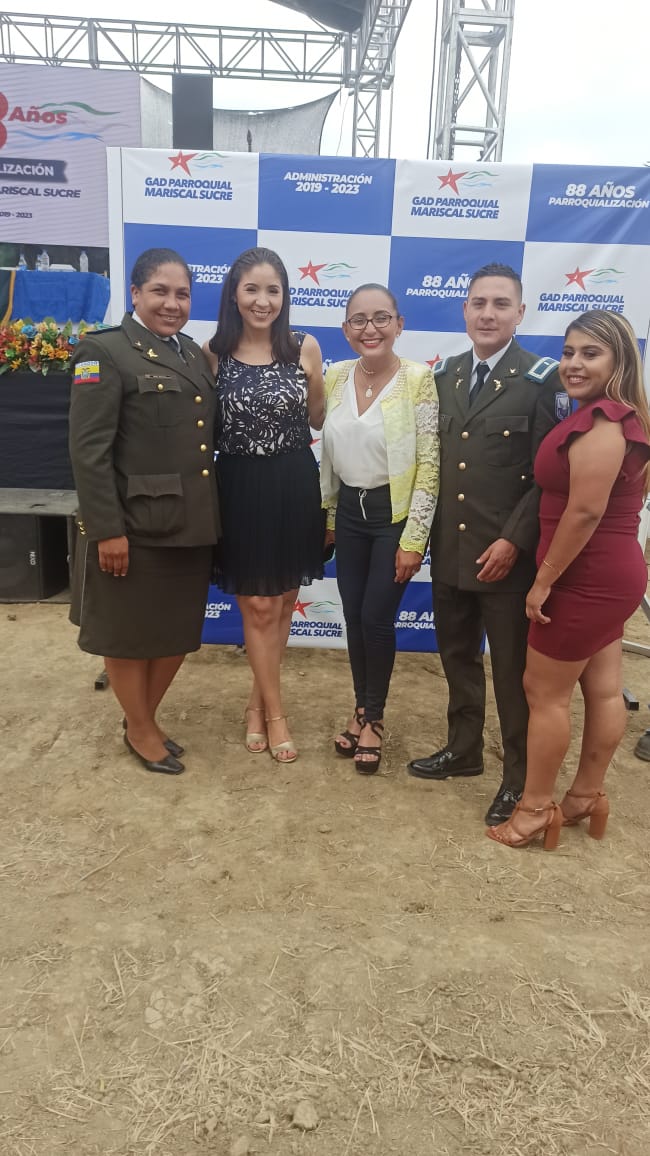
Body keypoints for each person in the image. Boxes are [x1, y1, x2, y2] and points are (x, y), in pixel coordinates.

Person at [407, 263, 565, 825]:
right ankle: (463, 750)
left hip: (506, 559)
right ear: (464, 310)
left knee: (513, 675)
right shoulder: (445, 375)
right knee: (456, 657)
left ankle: (518, 779)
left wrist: (513, 541)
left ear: (520, 313)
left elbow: (549, 478)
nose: (488, 314)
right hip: (451, 552)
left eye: (501, 304)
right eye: (478, 303)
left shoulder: (542, 380)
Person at [488, 310, 650, 849]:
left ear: (619, 361)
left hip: (585, 579)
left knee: (544, 693)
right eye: (569, 352)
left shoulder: (603, 423)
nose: (574, 364)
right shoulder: (621, 418)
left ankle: (534, 809)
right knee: (603, 689)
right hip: (611, 575)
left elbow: (583, 513)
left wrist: (544, 581)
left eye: (590, 354)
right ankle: (584, 797)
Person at [69, 247, 221, 775]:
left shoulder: (192, 353)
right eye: (160, 291)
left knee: (176, 633)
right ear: (135, 293)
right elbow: (89, 452)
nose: (172, 303)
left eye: (182, 294)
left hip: (191, 522)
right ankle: (140, 729)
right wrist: (106, 530)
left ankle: (142, 719)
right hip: (132, 526)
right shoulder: (103, 351)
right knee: (129, 634)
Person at [203, 246, 325, 763]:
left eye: (273, 290)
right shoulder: (212, 352)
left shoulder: (304, 346)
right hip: (239, 486)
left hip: (294, 483)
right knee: (257, 604)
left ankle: (257, 704)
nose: (262, 300)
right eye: (251, 289)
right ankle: (277, 714)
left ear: (285, 296)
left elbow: (317, 418)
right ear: (234, 294)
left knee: (282, 605)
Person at [320, 284, 439, 773]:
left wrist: (414, 539)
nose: (370, 328)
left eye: (381, 318)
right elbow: (329, 456)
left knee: (376, 618)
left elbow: (429, 463)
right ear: (346, 329)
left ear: (399, 324)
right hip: (349, 510)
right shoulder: (335, 375)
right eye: (359, 320)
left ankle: (374, 719)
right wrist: (330, 518)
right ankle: (360, 708)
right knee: (353, 616)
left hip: (394, 515)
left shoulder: (418, 379)